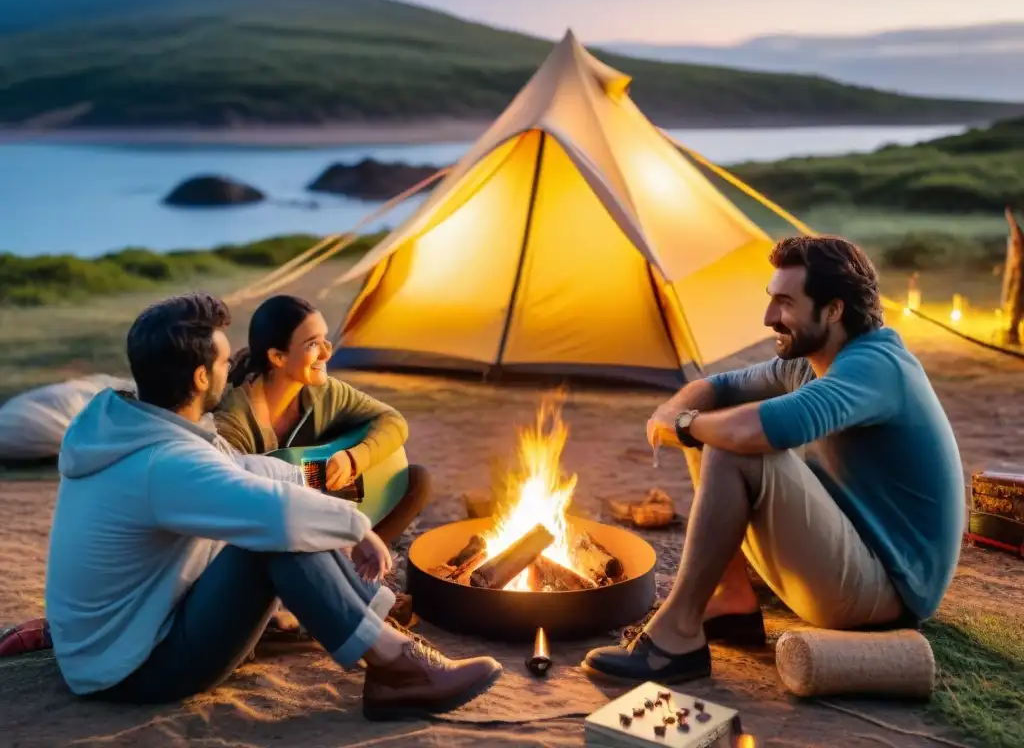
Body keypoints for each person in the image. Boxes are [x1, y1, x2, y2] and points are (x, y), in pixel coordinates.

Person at [44, 293, 501, 716]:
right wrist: (356, 527)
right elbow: (276, 512)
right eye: (224, 361)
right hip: (133, 669)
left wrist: (320, 481)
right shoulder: (164, 462)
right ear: (201, 377)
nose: (233, 368)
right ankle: (397, 666)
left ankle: (389, 654)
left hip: (128, 641)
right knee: (273, 536)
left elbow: (245, 468)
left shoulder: (141, 431)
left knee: (285, 516)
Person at [583, 235, 964, 684]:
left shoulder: (875, 367)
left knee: (734, 443)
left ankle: (676, 639)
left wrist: (684, 425)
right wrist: (672, 412)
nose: (768, 318)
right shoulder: (813, 360)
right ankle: (731, 601)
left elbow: (755, 431)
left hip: (887, 595)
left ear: (834, 310)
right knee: (718, 428)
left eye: (785, 303)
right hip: (858, 562)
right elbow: (720, 386)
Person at [213, 294, 430, 548]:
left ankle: (357, 556)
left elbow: (393, 421)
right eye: (313, 344)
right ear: (278, 357)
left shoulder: (324, 392)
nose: (327, 353)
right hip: (273, 529)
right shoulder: (233, 423)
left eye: (325, 339)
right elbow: (228, 504)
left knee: (416, 480)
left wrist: (354, 459)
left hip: (319, 508)